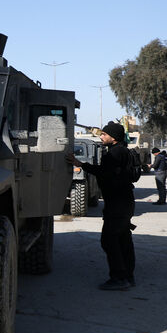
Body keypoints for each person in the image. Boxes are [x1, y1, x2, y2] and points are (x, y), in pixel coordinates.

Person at [66, 121, 135, 290]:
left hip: (117, 203)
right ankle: (128, 275)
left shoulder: (114, 154)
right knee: (123, 239)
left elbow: (103, 173)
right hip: (125, 202)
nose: (101, 136)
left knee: (109, 240)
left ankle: (119, 278)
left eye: (104, 134)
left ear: (114, 137)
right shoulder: (123, 151)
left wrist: (81, 165)